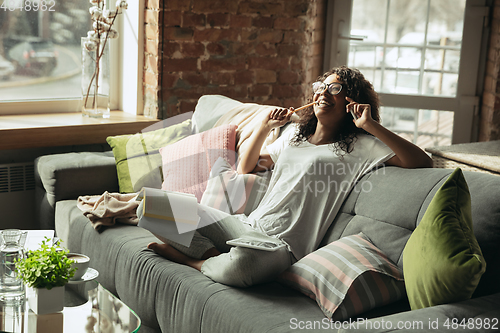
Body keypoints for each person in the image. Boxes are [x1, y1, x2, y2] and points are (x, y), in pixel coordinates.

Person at [147, 66, 432, 287]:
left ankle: (195, 262)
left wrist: (370, 125)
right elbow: (246, 167)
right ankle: (210, 258)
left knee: (244, 265)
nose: (323, 92)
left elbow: (422, 161)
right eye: (320, 87)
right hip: (245, 226)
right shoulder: (295, 137)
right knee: (152, 207)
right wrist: (264, 126)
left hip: (282, 247)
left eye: (334, 88)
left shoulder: (361, 144)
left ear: (351, 100)